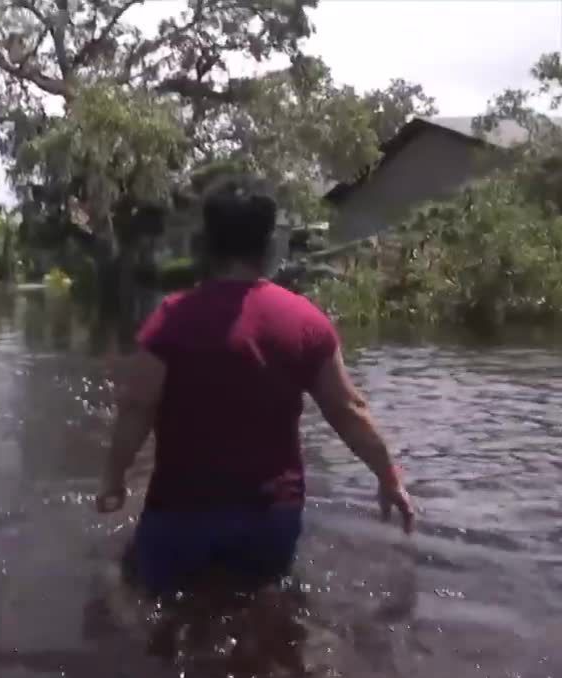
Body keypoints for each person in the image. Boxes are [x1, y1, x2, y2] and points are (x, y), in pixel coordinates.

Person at [96, 176, 415, 595]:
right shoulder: (305, 321)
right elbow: (347, 410)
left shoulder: (170, 321)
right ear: (268, 246)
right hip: (271, 517)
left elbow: (137, 406)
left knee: (141, 602)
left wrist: (114, 479)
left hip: (183, 512)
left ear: (206, 245)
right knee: (264, 615)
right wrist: (389, 476)